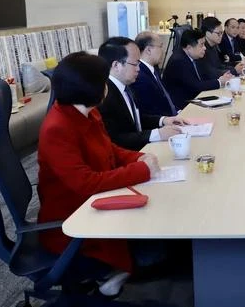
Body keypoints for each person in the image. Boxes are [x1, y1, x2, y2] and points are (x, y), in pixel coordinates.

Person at [37, 52, 160, 296]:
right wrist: (141, 170)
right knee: (156, 251)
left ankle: (115, 273)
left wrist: (137, 158)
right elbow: (85, 183)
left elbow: (109, 149)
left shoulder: (88, 112)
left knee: (158, 241)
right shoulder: (57, 128)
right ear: (90, 88)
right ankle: (108, 275)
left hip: (97, 203)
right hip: (75, 219)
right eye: (103, 81)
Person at [98, 37, 183, 151]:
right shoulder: (104, 95)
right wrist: (156, 134)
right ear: (116, 65)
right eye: (134, 64)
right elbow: (116, 138)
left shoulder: (126, 86)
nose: (138, 69)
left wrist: (163, 120)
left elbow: (136, 119)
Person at [163, 28, 233, 108]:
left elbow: (206, 75)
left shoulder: (194, 56)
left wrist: (222, 78)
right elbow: (195, 86)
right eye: (201, 45)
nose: (205, 48)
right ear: (189, 47)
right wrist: (219, 82)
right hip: (183, 106)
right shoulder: (179, 61)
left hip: (195, 98)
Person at [131, 31, 177, 116]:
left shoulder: (153, 69)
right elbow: (150, 111)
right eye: (160, 46)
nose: (163, 51)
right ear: (148, 50)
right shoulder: (140, 76)